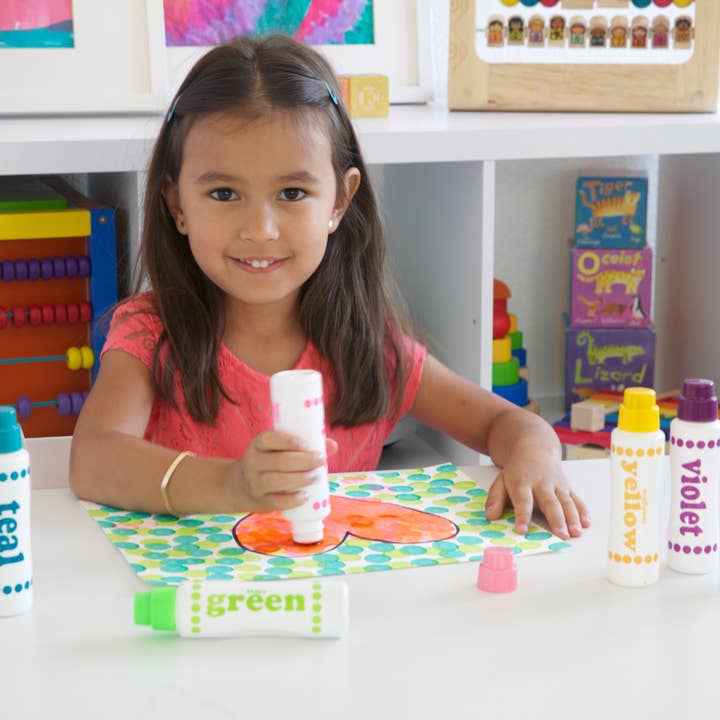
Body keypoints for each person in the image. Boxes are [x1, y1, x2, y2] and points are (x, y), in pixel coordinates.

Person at [69, 34, 590, 540]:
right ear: (177, 203)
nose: (260, 229)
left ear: (340, 201)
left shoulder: (369, 348)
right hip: (189, 593)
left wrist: (536, 458)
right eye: (224, 193)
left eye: (292, 192)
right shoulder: (150, 334)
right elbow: (92, 459)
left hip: (334, 592)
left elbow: (507, 423)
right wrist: (232, 484)